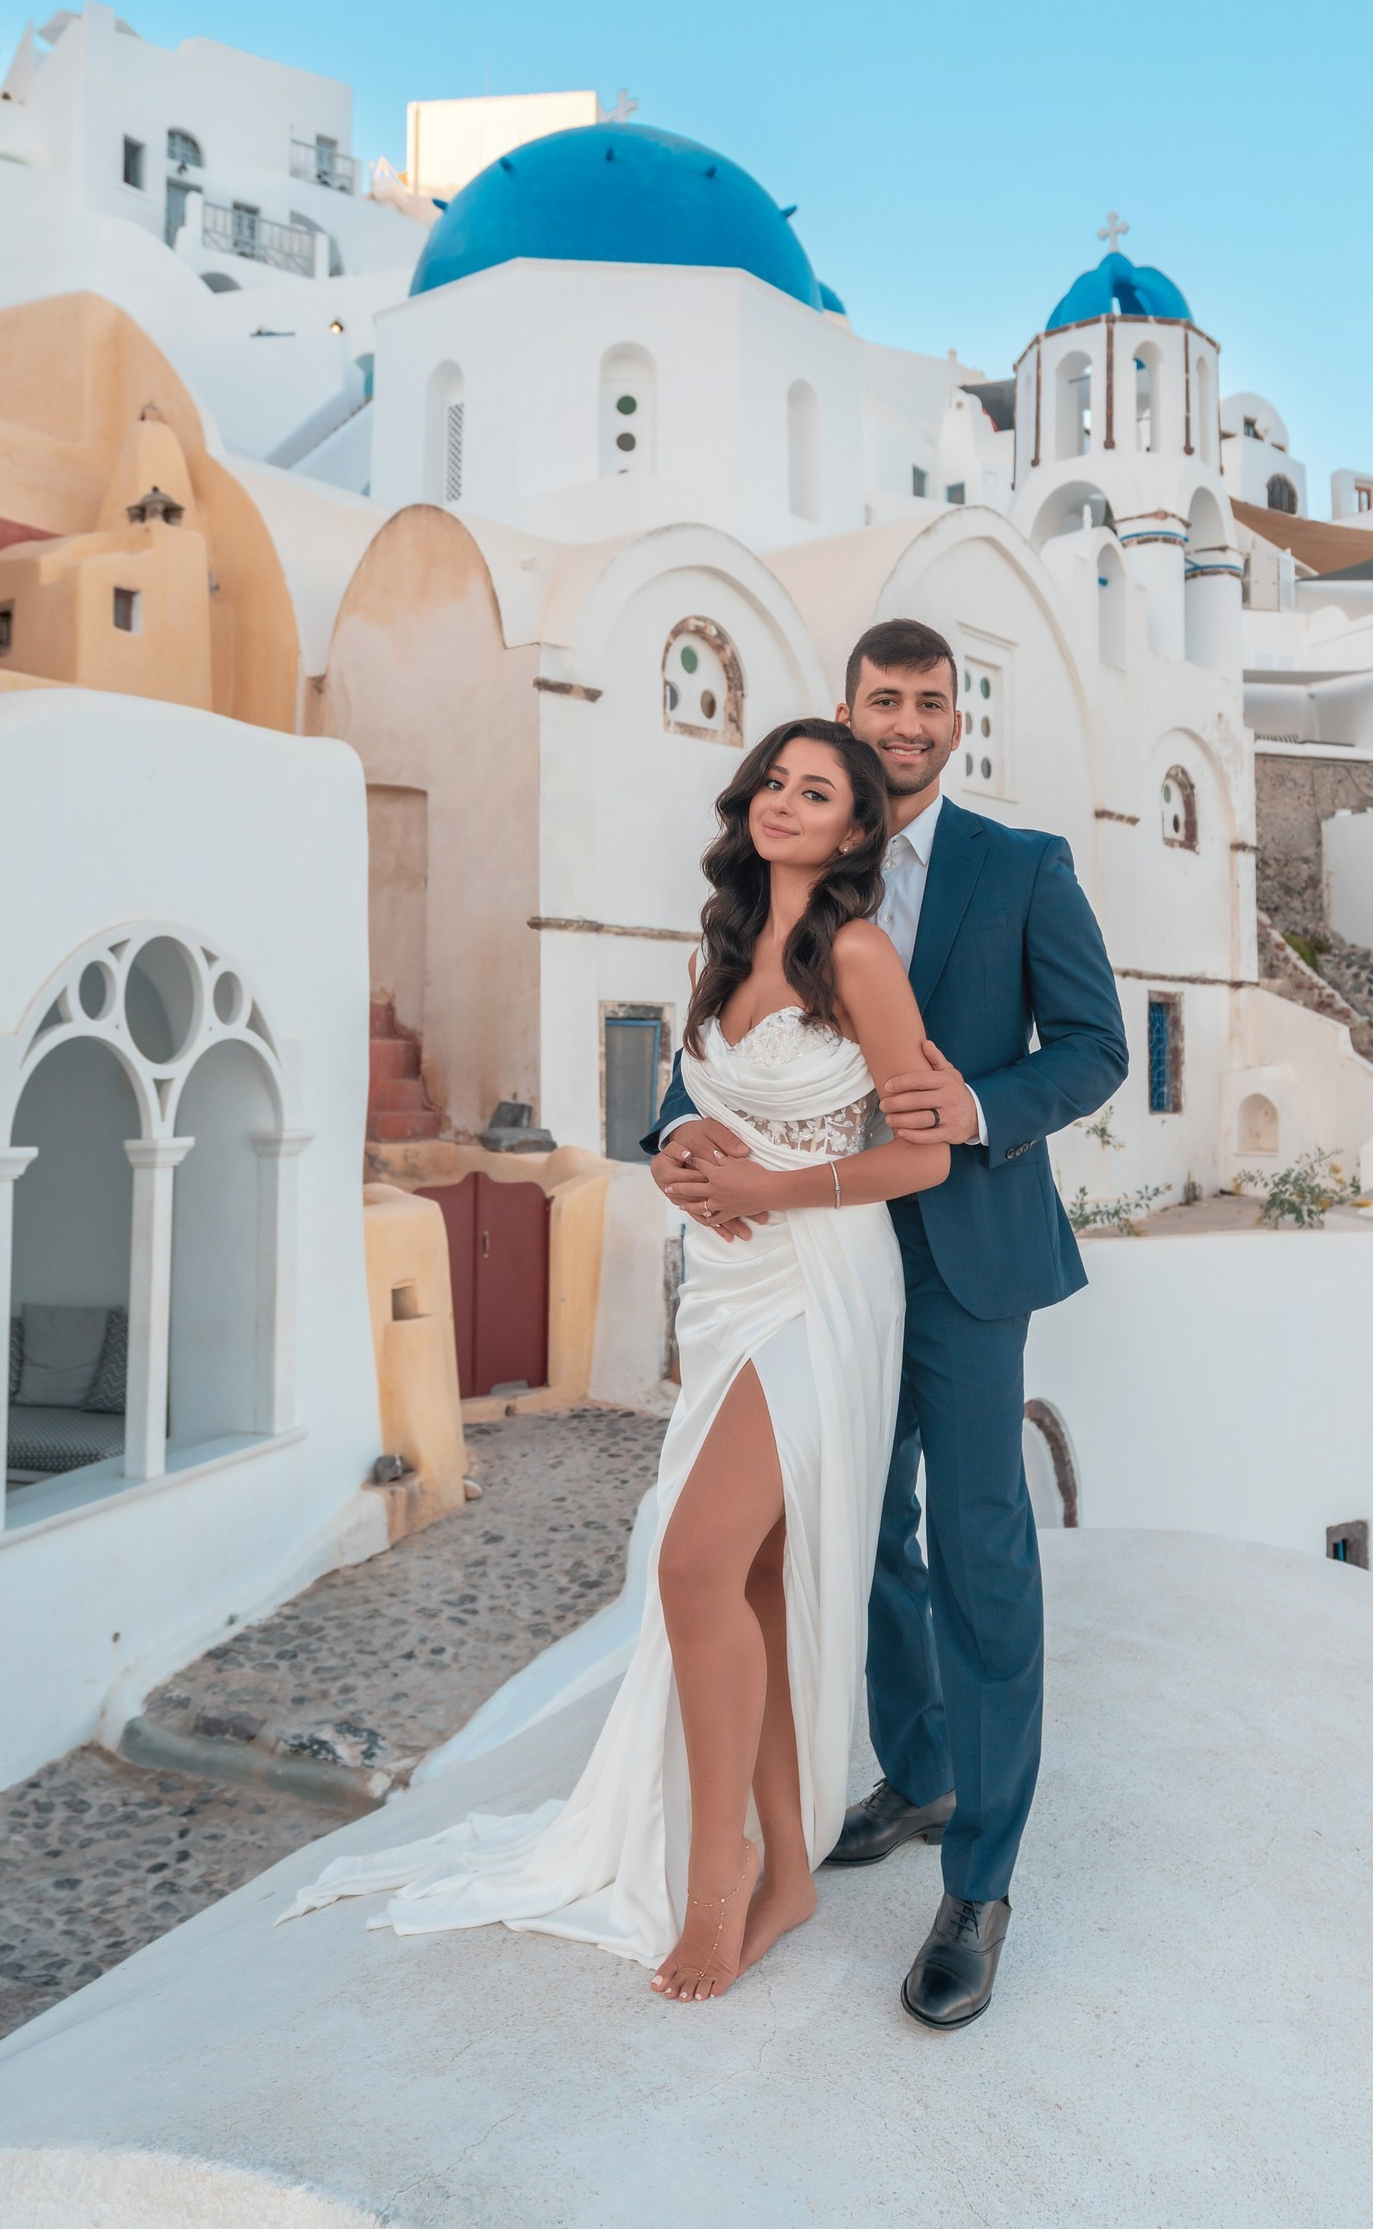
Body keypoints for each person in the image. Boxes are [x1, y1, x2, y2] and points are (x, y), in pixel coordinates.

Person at [283, 717, 949, 2001]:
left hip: (821, 1285)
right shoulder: (718, 947)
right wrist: (692, 1158)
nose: (785, 801)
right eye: (774, 779)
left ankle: (717, 1883)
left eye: (818, 792)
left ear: (858, 830)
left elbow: (918, 1152)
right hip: (727, 1283)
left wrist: (766, 1177)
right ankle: (789, 1871)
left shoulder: (859, 953)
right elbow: (702, 1110)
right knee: (742, 1574)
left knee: (690, 1561)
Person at [651, 619, 1127, 2029]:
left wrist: (979, 1108)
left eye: (929, 702)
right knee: (842, 1541)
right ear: (847, 714)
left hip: (962, 1257)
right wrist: (673, 1137)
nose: (906, 720)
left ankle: (977, 1878)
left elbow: (1094, 1046)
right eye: (882, 700)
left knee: (976, 1551)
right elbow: (725, 1063)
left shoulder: (1021, 868)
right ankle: (911, 1772)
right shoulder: (777, 895)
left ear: (954, 719)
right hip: (808, 1263)